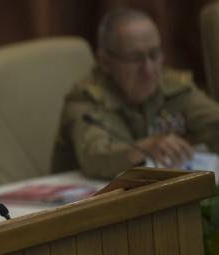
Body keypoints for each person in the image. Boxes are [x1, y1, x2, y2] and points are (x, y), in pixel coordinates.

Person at [52, 8, 219, 179]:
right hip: (88, 199)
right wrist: (145, 148)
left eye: (154, 55)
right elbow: (96, 158)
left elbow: (214, 123)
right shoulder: (85, 100)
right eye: (135, 58)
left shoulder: (172, 87)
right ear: (105, 62)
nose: (148, 69)